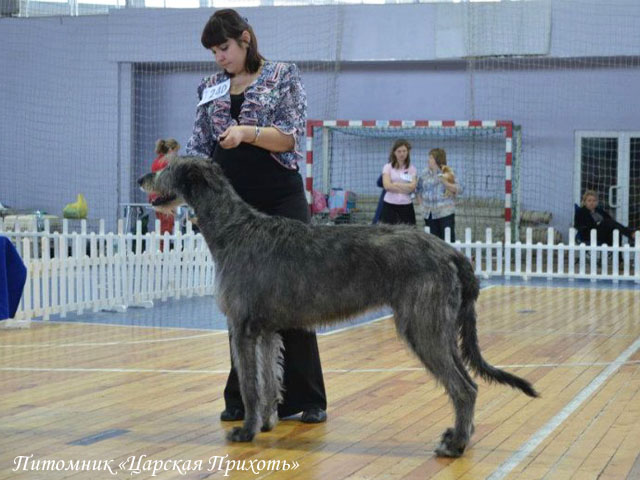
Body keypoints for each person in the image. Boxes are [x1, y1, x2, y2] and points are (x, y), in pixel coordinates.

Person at [185, 9, 327, 424]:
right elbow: (198, 149)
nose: (219, 58)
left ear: (245, 38)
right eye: (213, 51)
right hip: (231, 209)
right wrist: (196, 200)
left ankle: (308, 397)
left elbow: (290, 138)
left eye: (224, 48)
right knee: (243, 306)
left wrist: (246, 133)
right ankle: (243, 397)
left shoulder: (283, 75)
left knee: (295, 296)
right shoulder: (210, 87)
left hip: (281, 199)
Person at [416, 148, 462, 242]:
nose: (428, 160)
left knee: (447, 242)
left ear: (437, 159)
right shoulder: (424, 173)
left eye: (431, 158)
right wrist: (421, 205)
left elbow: (460, 189)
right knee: (433, 244)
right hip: (429, 214)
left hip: (445, 213)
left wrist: (446, 183)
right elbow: (418, 189)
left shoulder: (448, 172)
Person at [379, 139, 417, 225]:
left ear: (407, 152)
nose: (402, 154)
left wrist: (396, 184)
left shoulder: (412, 168)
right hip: (389, 205)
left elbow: (412, 187)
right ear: (394, 153)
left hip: (406, 205)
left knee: (409, 234)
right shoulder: (387, 167)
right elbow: (387, 186)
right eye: (399, 151)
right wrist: (405, 188)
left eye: (404, 151)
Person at [150, 138, 180, 238]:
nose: (176, 154)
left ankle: (161, 249)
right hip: (164, 198)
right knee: (166, 228)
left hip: (155, 197)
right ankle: (162, 250)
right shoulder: (166, 162)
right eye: (176, 151)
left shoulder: (156, 161)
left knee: (162, 226)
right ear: (171, 150)